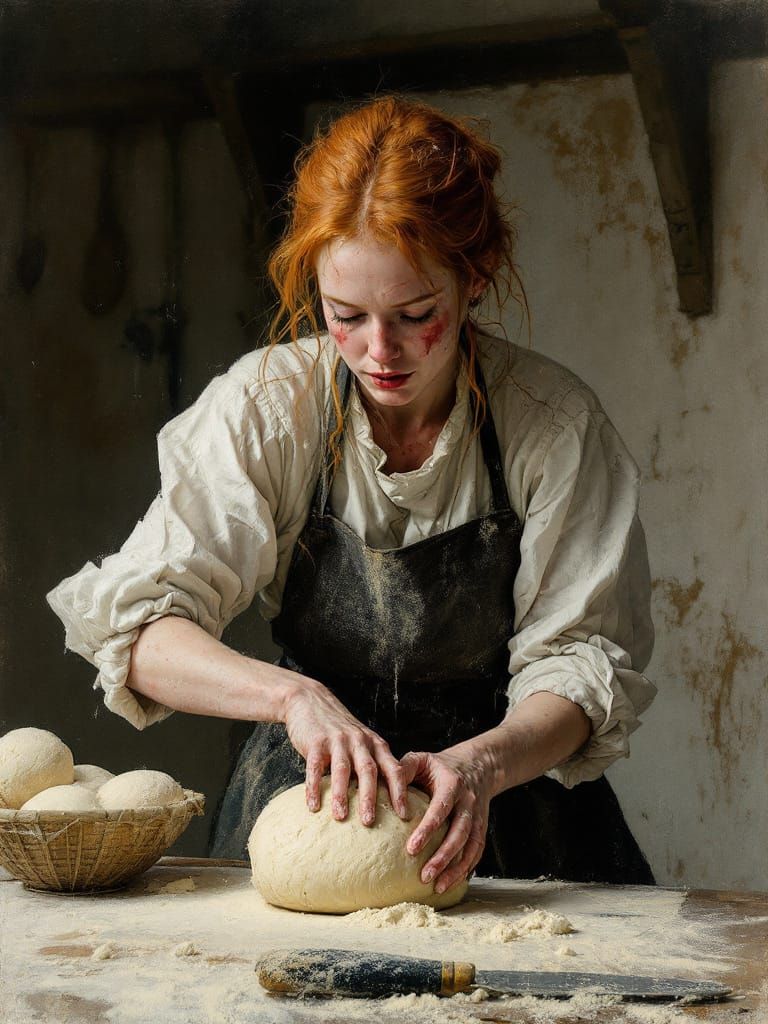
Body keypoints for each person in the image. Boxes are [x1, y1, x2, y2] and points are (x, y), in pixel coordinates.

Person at [48, 95, 657, 893]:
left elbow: (581, 663)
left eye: (415, 314)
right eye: (346, 315)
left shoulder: (552, 426)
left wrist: (482, 764)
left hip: (509, 801)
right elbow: (142, 631)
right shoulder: (269, 409)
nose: (380, 351)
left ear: (473, 280)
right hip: (312, 793)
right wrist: (293, 698)